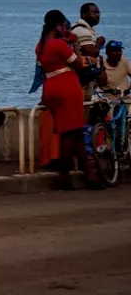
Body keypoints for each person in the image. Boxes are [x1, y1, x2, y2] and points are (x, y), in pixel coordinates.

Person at [37, 10, 103, 190]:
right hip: (67, 87)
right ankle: (65, 177)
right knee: (70, 133)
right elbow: (78, 63)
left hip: (51, 87)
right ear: (59, 25)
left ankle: (90, 174)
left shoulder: (41, 45)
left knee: (74, 133)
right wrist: (74, 42)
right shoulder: (59, 44)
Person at [73, 3, 105, 100]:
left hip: (84, 76)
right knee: (84, 106)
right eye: (93, 13)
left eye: (98, 13)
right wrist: (99, 43)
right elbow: (91, 53)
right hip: (83, 77)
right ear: (84, 14)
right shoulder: (82, 30)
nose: (97, 15)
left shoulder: (83, 29)